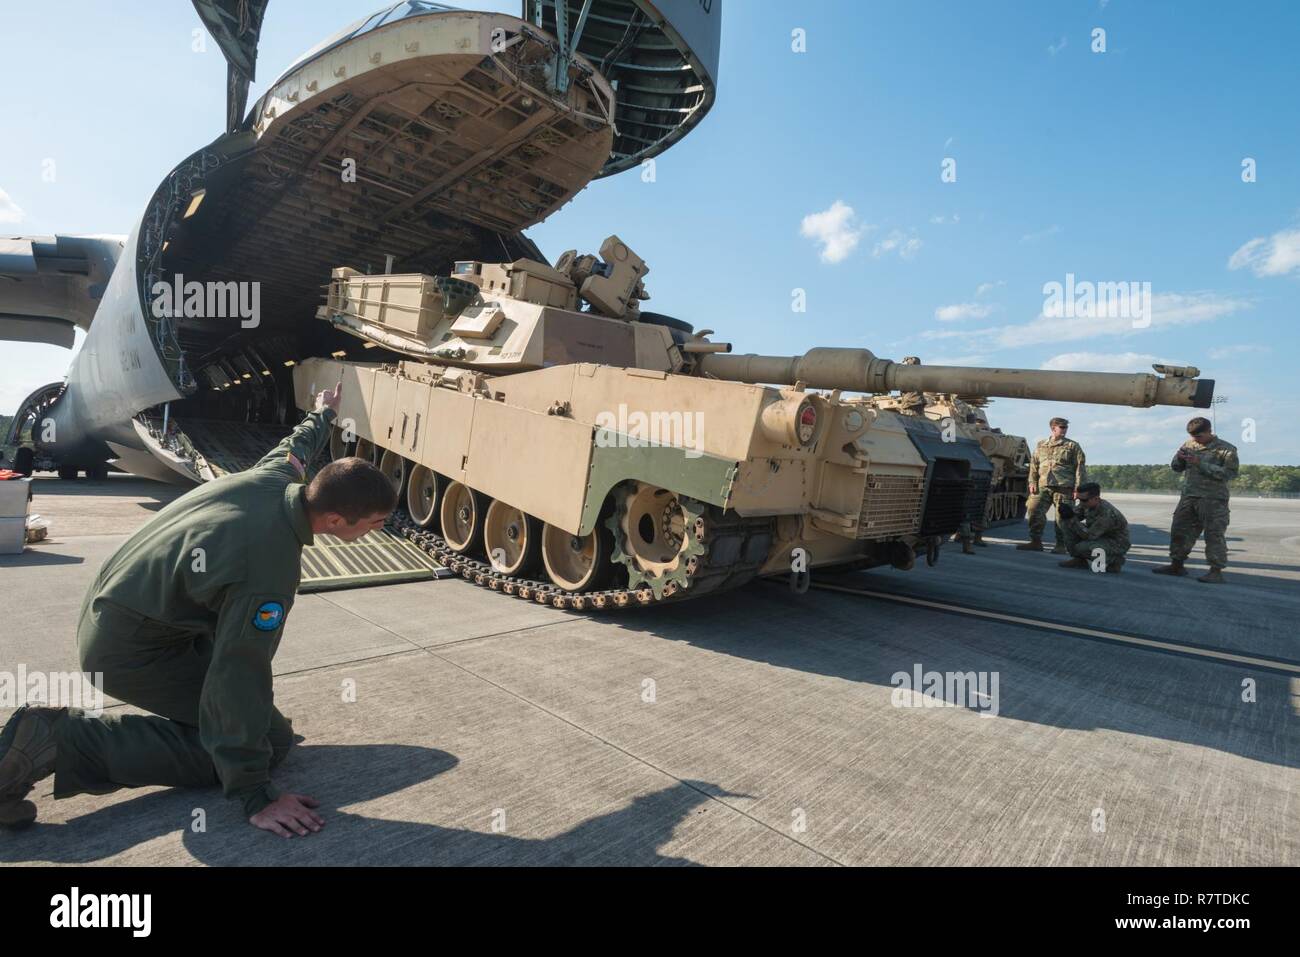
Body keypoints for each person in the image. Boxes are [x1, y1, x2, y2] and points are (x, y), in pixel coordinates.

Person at [0, 383, 398, 836]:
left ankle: (227, 742)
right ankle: (61, 740)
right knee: (262, 745)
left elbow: (294, 447)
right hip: (130, 649)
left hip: (120, 609)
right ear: (334, 521)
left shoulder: (276, 479)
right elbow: (238, 671)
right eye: (374, 523)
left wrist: (323, 415)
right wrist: (254, 791)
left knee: (272, 735)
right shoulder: (267, 567)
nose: (376, 530)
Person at [1152, 417, 1239, 584]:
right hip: (1189, 496)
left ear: (1209, 431)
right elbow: (1176, 468)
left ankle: (1215, 571)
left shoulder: (1226, 450)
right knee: (1179, 530)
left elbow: (1229, 474)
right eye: (1192, 436)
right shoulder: (1189, 445)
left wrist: (1200, 463)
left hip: (1213, 499)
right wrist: (1179, 458)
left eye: (1198, 436)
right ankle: (1176, 565)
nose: (1195, 440)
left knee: (1214, 535)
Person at [1017, 417, 1087, 553]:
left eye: (1066, 427)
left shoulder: (1072, 446)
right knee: (1033, 510)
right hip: (1043, 485)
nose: (1065, 430)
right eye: (1062, 427)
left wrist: (1078, 488)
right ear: (1053, 428)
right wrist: (1032, 481)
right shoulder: (1041, 444)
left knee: (1062, 517)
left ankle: (1061, 545)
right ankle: (1035, 541)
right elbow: (1034, 464)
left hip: (1064, 487)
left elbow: (1080, 468)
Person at [1056, 482, 1131, 573]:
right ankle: (1079, 560)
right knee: (1066, 524)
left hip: (1116, 542)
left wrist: (1071, 518)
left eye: (1084, 500)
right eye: (1079, 499)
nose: (1081, 503)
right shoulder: (1087, 504)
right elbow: (1075, 515)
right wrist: (1066, 512)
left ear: (1096, 498)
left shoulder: (1106, 513)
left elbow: (1089, 536)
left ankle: (1115, 560)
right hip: (1099, 536)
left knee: (1083, 547)